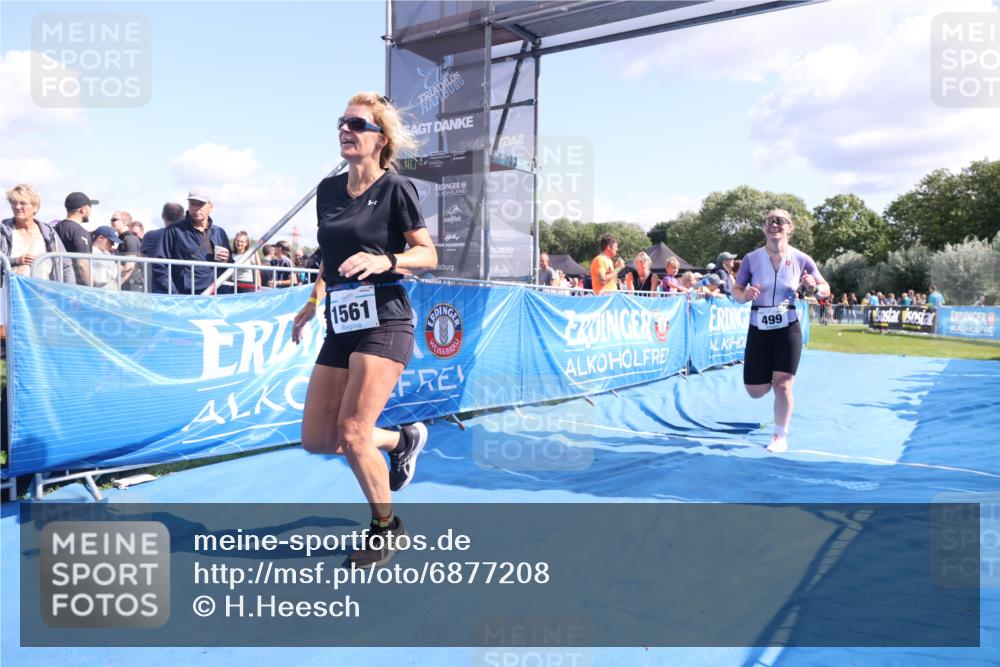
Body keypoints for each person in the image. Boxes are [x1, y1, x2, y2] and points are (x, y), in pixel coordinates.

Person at [291, 92, 438, 569]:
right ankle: (400, 440)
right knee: (318, 438)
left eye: (357, 123)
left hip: (387, 319)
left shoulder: (396, 189)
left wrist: (386, 259)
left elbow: (428, 256)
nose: (346, 129)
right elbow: (331, 261)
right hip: (342, 322)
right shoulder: (329, 191)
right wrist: (312, 303)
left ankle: (385, 526)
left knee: (354, 433)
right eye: (342, 121)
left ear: (380, 139)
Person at [733, 208, 829, 454]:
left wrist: (814, 288)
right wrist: (745, 295)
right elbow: (736, 290)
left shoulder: (801, 259)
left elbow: (825, 288)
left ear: (790, 227)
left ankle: (779, 435)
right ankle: (769, 394)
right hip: (759, 328)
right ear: (764, 227)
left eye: (780, 221)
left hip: (788, 327)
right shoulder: (751, 258)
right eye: (769, 221)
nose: (774, 224)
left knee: (783, 385)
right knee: (756, 391)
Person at [160, 189, 233, 294]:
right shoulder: (173, 230)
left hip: (216, 296)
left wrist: (227, 260)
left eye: (200, 204)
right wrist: (174, 293)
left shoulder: (219, 233)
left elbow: (230, 266)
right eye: (192, 204)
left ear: (211, 207)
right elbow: (160, 265)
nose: (195, 208)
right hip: (186, 297)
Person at [1, 184, 73, 282]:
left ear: (35, 207)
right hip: (9, 292)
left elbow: (65, 264)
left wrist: (69, 292)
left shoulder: (48, 232)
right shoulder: (3, 231)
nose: (17, 207)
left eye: (23, 203)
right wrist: (16, 261)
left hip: (41, 293)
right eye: (14, 203)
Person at [54, 191, 98, 285]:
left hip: (56, 282)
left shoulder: (56, 228)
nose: (91, 211)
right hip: (75, 287)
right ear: (82, 209)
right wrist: (93, 288)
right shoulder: (80, 232)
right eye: (90, 207)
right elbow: (83, 264)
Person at [144, 202, 185, 294]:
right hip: (181, 290)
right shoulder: (185, 237)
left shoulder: (150, 236)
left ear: (162, 215)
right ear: (183, 217)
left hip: (154, 288)